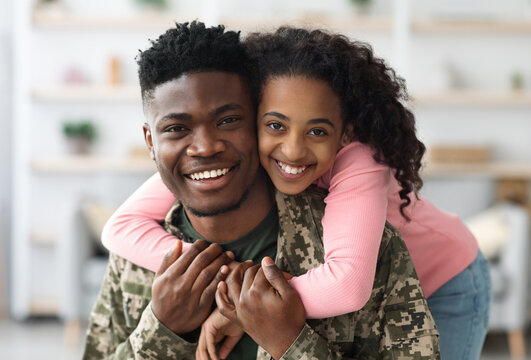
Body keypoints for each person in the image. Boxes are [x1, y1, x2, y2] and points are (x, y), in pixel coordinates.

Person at [101, 24, 490, 360]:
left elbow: (348, 286)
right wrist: (223, 274)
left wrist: (241, 305)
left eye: (317, 130)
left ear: (344, 131)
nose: (292, 149)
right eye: (275, 126)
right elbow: (118, 228)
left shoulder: (359, 161)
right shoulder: (216, 157)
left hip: (445, 276)